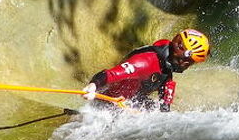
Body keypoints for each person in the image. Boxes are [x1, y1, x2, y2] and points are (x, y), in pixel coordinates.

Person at [81, 29, 210, 111]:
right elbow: (110, 74)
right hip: (109, 104)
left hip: (135, 98)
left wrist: (165, 107)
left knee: (160, 109)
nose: (188, 66)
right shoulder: (144, 63)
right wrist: (92, 86)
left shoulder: (166, 60)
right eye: (190, 63)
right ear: (182, 58)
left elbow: (165, 80)